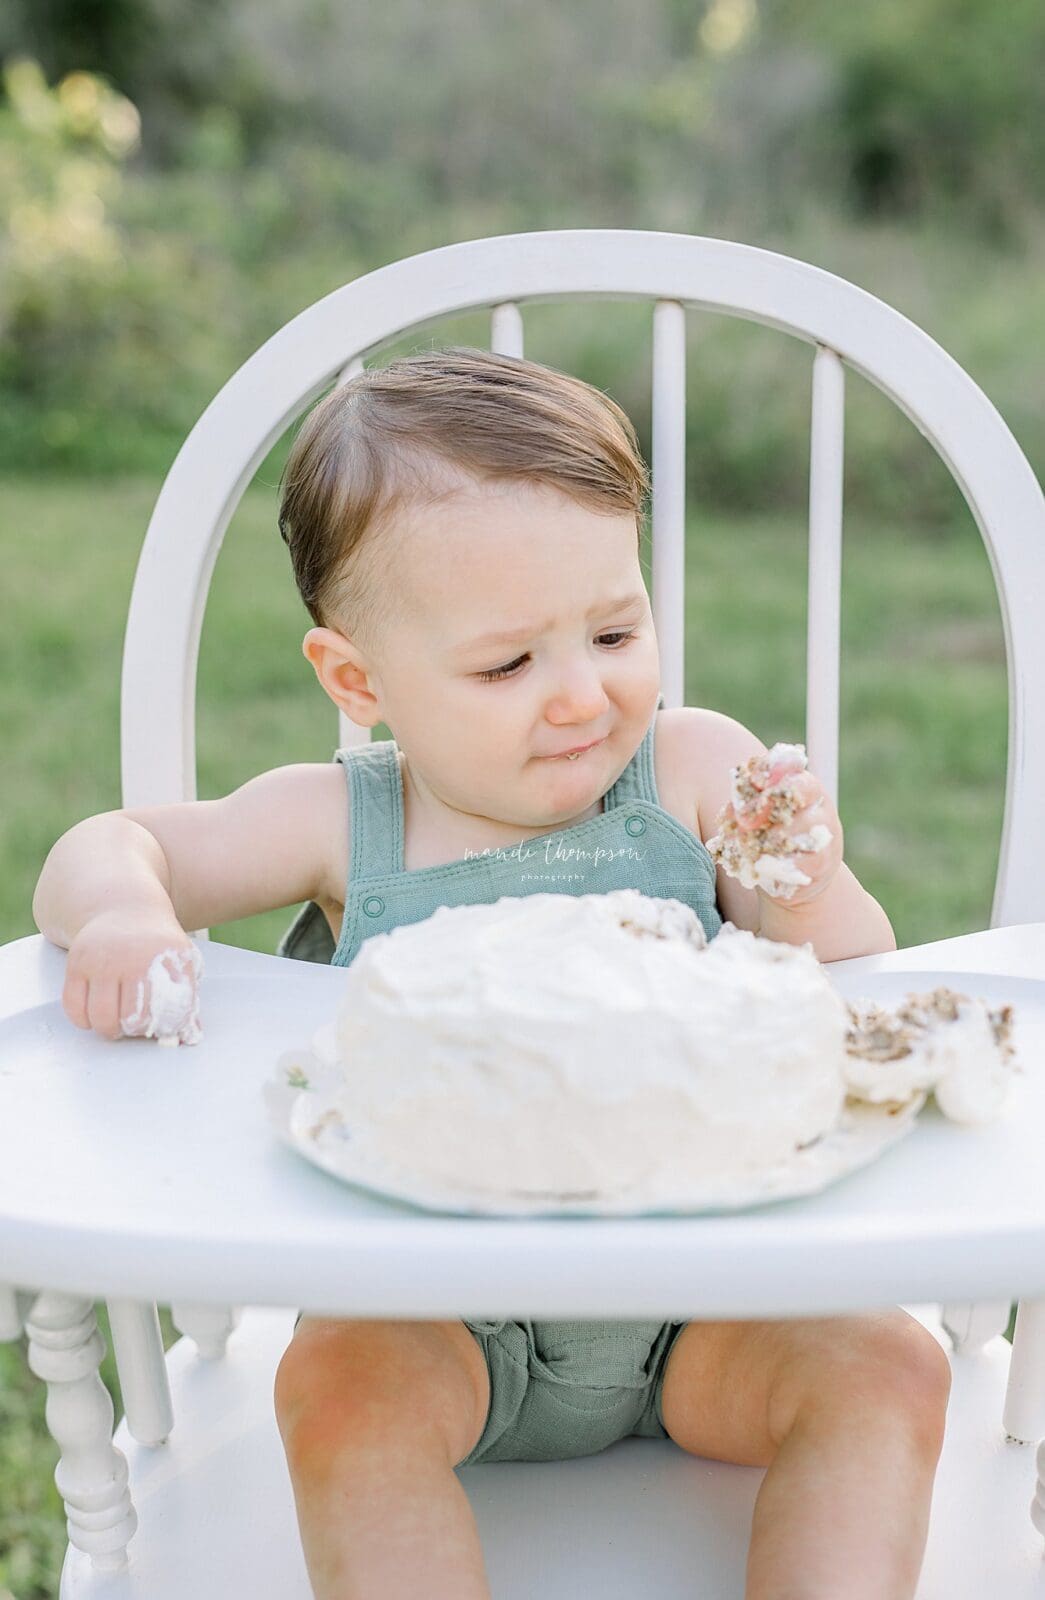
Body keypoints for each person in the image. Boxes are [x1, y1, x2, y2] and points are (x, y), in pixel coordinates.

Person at [33, 347, 951, 1600]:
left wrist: (800, 886)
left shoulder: (690, 771)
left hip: (704, 1295)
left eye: (616, 630)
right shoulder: (343, 821)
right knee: (339, 1396)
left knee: (887, 1365)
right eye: (508, 665)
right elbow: (111, 844)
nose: (581, 695)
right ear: (359, 681)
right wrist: (125, 915)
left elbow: (857, 995)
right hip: (434, 1314)